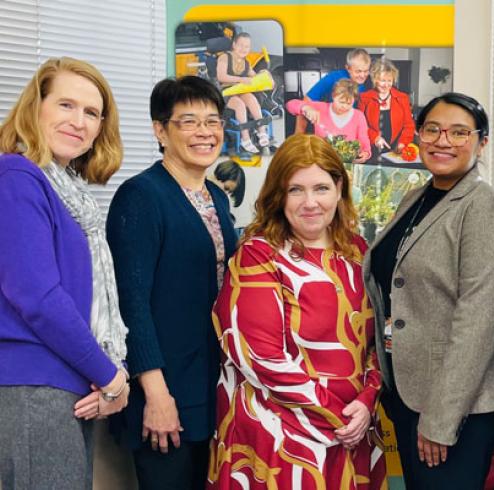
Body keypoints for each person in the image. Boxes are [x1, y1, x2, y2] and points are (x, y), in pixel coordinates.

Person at [207, 134, 385, 490]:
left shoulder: (357, 251)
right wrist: (338, 418)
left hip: (353, 433)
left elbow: (377, 340)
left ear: (339, 188)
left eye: (321, 188)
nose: (310, 203)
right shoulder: (258, 255)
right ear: (278, 195)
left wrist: (366, 402)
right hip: (278, 438)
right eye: (295, 190)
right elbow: (261, 358)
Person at [363, 92, 494, 489]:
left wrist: (441, 420)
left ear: (481, 142)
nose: (443, 141)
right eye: (432, 129)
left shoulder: (485, 210)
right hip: (408, 390)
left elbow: (478, 322)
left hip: (454, 403)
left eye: (459, 132)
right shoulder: (418, 197)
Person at [0, 57, 130, 489]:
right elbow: (37, 295)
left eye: (92, 112)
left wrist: (112, 372)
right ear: (35, 108)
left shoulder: (70, 193)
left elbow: (87, 298)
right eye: (66, 105)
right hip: (33, 388)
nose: (79, 122)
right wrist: (111, 376)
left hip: (65, 386)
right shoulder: (19, 175)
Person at [106, 76, 237, 490]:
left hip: (211, 387)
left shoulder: (216, 196)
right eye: (189, 121)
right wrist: (156, 395)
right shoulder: (141, 195)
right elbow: (132, 303)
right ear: (160, 130)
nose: (205, 132)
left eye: (212, 121)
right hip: (165, 391)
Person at [287, 78, 372, 163]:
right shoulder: (320, 108)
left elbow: (364, 139)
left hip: (347, 164)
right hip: (321, 161)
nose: (344, 107)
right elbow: (290, 104)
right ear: (333, 96)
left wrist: (366, 153)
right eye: (341, 102)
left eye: (349, 103)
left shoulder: (359, 116)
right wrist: (305, 108)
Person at [216, 32, 271, 154]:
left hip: (240, 90)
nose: (243, 49)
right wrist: (241, 79)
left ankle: (262, 132)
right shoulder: (225, 57)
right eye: (241, 45)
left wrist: (263, 76)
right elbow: (221, 76)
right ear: (234, 45)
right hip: (226, 91)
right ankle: (245, 139)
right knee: (240, 105)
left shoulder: (246, 62)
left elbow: (254, 77)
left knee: (252, 99)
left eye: (247, 46)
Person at [295, 48, 371, 134]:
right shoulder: (333, 78)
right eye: (358, 71)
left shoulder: (368, 83)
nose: (362, 75)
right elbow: (306, 101)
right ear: (348, 68)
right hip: (330, 127)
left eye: (366, 71)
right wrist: (298, 135)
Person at [359, 57, 415, 155]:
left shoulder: (403, 98)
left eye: (389, 80)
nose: (386, 85)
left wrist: (403, 143)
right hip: (372, 148)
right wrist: (375, 138)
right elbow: (361, 125)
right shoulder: (364, 98)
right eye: (382, 80)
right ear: (374, 80)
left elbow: (408, 125)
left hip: (397, 149)